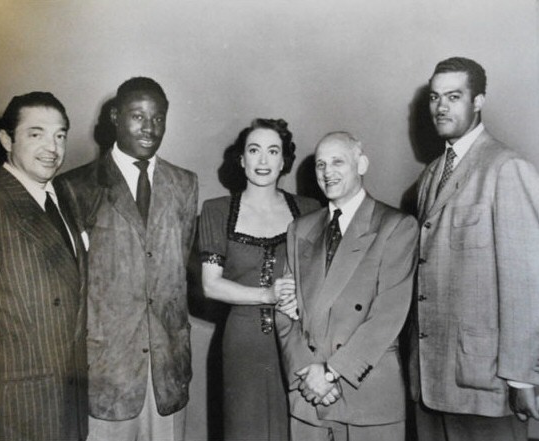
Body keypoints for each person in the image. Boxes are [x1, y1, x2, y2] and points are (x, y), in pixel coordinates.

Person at [56, 77, 198, 441]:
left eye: (158, 118)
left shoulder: (185, 184)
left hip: (167, 370)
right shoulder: (76, 186)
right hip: (106, 370)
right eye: (137, 116)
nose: (150, 128)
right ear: (116, 117)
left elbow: (179, 269)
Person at [409, 56, 539, 441]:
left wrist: (521, 376)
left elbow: (525, 284)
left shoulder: (507, 168)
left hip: (486, 384)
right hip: (430, 382)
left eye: (454, 96)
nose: (441, 107)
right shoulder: (430, 174)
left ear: (479, 101)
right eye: (434, 98)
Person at [275, 131, 418, 441]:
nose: (328, 173)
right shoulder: (299, 230)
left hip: (366, 397)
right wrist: (306, 373)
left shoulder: (395, 226)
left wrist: (329, 373)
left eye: (338, 162)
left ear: (361, 164)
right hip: (308, 399)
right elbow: (284, 312)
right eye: (320, 165)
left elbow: (387, 317)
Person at [199, 118, 319, 441]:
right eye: (254, 150)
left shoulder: (310, 210)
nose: (263, 161)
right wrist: (266, 295)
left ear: (284, 161)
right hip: (242, 344)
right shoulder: (216, 211)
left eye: (272, 151)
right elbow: (211, 285)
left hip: (296, 339)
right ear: (241, 160)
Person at [0, 92, 88, 440]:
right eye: (36, 133)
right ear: (6, 139)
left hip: (67, 399)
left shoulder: (63, 200)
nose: (52, 147)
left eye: (60, 135)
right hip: (16, 406)